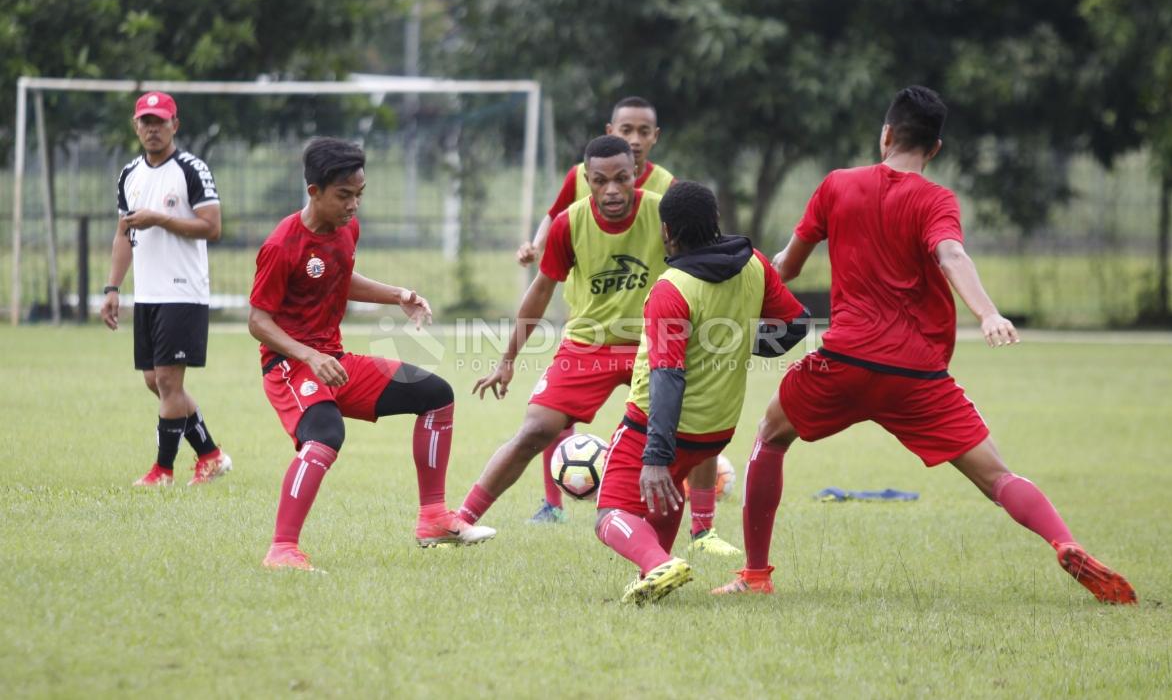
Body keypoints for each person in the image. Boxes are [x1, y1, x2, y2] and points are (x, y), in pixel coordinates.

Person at [713, 86, 1136, 605]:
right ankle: (1065, 541)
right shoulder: (936, 199)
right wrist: (988, 313)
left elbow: (788, 266)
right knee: (998, 478)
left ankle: (755, 575)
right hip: (917, 376)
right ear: (934, 149)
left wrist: (754, 282)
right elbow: (952, 255)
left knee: (771, 437)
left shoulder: (837, 186)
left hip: (842, 362)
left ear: (886, 134)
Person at [249, 137, 495, 572]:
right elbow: (258, 321)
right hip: (289, 365)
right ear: (314, 192)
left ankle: (434, 518)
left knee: (435, 394)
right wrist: (308, 356)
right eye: (344, 195)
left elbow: (341, 277)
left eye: (359, 194)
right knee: (324, 435)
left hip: (334, 361)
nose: (353, 205)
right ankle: (282, 550)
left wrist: (397, 295)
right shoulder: (282, 245)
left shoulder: (347, 229)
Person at [514, 99, 734, 555]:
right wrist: (536, 245)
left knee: (695, 424)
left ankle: (704, 529)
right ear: (611, 130)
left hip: (655, 333)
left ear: (655, 137)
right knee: (551, 417)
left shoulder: (668, 188)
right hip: (591, 327)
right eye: (626, 129)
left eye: (643, 131)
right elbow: (555, 217)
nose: (634, 139)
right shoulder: (580, 175)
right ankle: (552, 503)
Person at [594, 180, 808, 604]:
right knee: (666, 498)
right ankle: (655, 572)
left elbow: (667, 378)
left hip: (654, 427)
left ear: (667, 231)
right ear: (715, 223)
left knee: (609, 514)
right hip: (715, 431)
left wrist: (655, 455)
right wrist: (740, 340)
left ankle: (657, 563)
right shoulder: (755, 265)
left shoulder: (672, 289)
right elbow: (795, 325)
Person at [101, 91, 231, 487]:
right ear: (135, 125)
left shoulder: (191, 169)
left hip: (183, 291)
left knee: (170, 384)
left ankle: (163, 471)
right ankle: (210, 455)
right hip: (149, 294)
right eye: (146, 121)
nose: (152, 128)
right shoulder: (129, 175)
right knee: (156, 383)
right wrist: (112, 287)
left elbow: (212, 226)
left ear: (175, 124)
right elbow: (124, 234)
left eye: (160, 121)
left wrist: (161, 219)